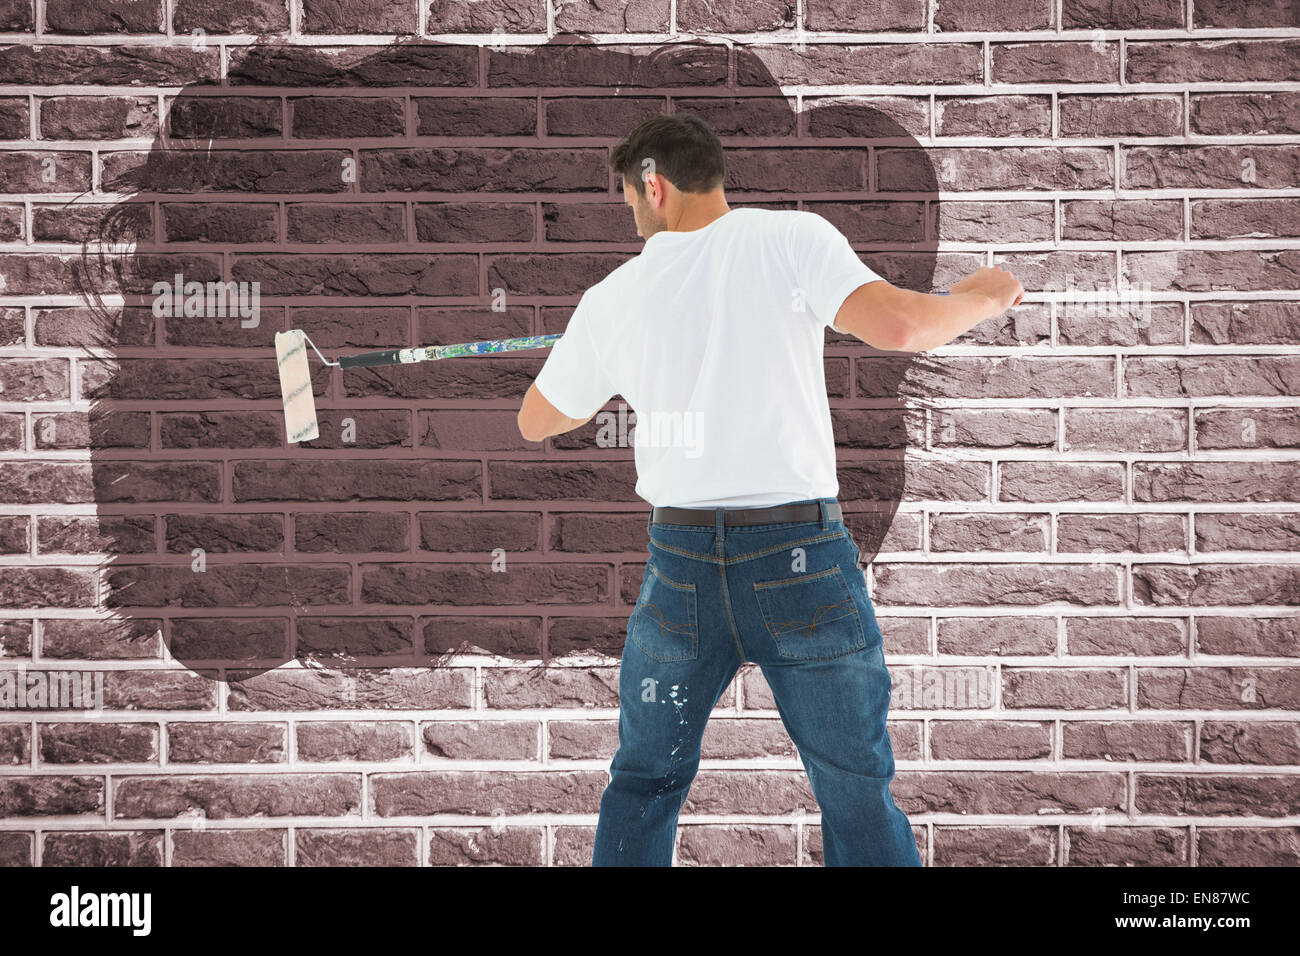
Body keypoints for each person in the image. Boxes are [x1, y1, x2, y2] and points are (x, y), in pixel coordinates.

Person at [517, 113, 1024, 866]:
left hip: (680, 568)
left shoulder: (613, 297)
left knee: (645, 780)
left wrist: (592, 352)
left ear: (653, 184)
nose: (633, 221)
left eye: (629, 202)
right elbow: (900, 324)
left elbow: (538, 420)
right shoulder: (791, 239)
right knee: (853, 787)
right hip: (800, 560)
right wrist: (983, 296)